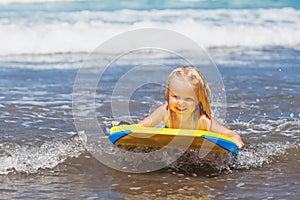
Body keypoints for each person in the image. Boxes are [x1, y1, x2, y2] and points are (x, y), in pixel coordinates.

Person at [139, 66, 244, 149]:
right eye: (175, 97)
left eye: (188, 99)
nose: (181, 103)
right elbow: (141, 126)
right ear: (167, 94)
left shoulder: (201, 120)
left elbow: (229, 133)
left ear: (198, 100)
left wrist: (236, 139)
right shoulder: (165, 112)